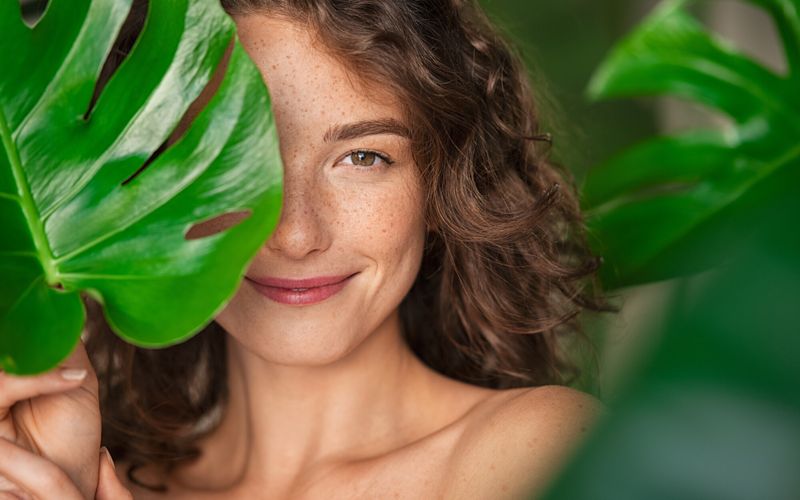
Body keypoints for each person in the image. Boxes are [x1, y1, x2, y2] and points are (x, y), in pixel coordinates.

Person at [0, 0, 608, 498]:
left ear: (440, 184)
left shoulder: (539, 453)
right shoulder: (84, 479)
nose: (295, 235)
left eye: (362, 157)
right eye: (238, 164)